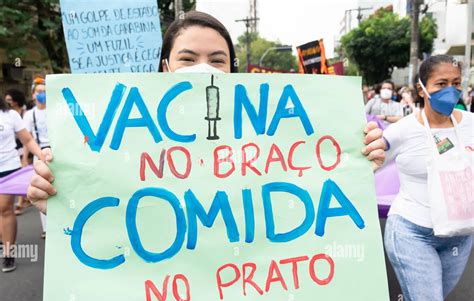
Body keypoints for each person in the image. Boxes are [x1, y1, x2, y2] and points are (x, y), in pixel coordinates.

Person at [27, 11, 386, 227]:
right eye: (187, 58)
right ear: (166, 67)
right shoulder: (119, 140)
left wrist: (354, 160)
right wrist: (58, 201)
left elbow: (305, 194)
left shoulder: (271, 136)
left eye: (216, 59)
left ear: (233, 69)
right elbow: (103, 217)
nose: (203, 68)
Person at [382, 55, 473, 301]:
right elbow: (367, 162)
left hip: (460, 236)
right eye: (441, 83)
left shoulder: (472, 125)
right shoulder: (401, 130)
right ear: (422, 88)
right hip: (412, 233)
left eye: (456, 83)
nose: (450, 90)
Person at [0, 96, 44, 272]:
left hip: (8, 168)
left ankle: (8, 253)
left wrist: (41, 155)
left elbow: (27, 140)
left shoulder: (10, 115)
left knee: (4, 208)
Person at [23, 77, 49, 239]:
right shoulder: (29, 115)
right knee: (41, 191)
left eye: (45, 92)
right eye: (39, 92)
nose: (42, 95)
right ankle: (46, 228)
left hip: (54, 153)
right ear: (33, 94)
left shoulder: (55, 109)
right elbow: (27, 139)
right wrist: (25, 158)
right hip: (39, 154)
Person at [4, 88, 31, 215]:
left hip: (19, 147)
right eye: (7, 100)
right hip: (17, 144)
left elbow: (27, 138)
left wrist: (25, 157)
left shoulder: (20, 113)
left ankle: (22, 200)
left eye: (10, 99)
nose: (8, 101)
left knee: (4, 208)